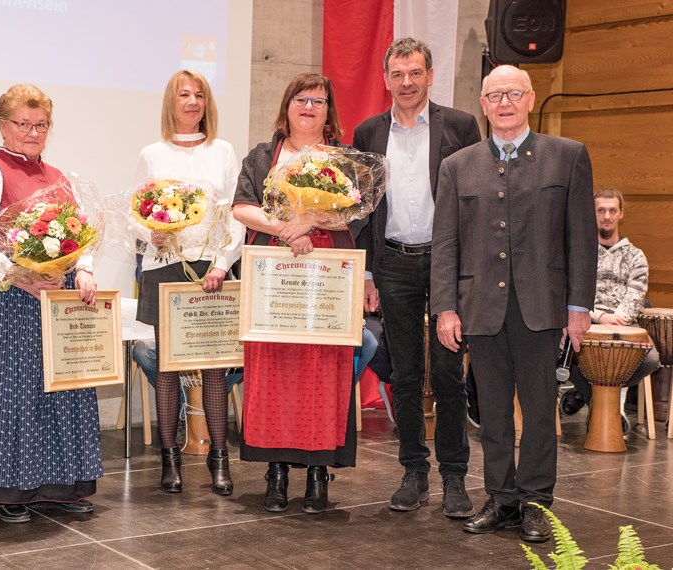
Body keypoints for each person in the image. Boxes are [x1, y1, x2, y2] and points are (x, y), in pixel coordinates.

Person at [431, 64, 596, 543]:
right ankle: (501, 498)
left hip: (542, 308)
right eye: (493, 94)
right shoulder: (457, 166)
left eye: (513, 93)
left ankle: (536, 503)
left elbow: (582, 239)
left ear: (530, 98)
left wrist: (579, 307)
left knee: (541, 411)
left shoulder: (567, 157)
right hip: (479, 307)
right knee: (492, 412)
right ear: (482, 104)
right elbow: (445, 243)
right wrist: (445, 307)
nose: (503, 102)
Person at [0, 84, 102, 524]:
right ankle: (11, 488)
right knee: (14, 395)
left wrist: (86, 268)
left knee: (62, 390)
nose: (33, 132)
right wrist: (19, 276)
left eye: (40, 125)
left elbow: (82, 232)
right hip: (8, 299)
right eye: (24, 124)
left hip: (56, 295)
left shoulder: (60, 177)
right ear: (3, 125)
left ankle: (61, 484)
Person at [352, 37, 482, 518]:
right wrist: (367, 272)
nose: (406, 82)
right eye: (397, 74)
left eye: (415, 73)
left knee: (448, 375)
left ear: (430, 75)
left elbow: (476, 201)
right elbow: (360, 213)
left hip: (447, 263)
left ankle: (454, 477)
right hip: (393, 263)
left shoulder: (462, 126)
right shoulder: (367, 134)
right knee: (404, 375)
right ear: (386, 80)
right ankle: (413, 471)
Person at [232, 72, 373, 514]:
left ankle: (317, 475)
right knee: (274, 370)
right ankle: (275, 473)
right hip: (274, 277)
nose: (309, 106)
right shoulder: (262, 155)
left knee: (322, 370)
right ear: (287, 105)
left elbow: (357, 214)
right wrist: (283, 227)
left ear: (329, 111)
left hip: (327, 278)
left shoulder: (345, 159)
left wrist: (311, 222)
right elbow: (241, 206)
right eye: (301, 98)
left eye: (318, 100)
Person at [134, 70, 245, 495]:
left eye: (200, 95)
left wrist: (221, 264)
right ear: (171, 102)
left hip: (211, 270)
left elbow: (236, 212)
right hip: (164, 266)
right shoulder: (152, 153)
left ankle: (220, 459)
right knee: (167, 367)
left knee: (214, 369)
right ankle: (170, 459)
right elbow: (136, 212)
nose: (193, 101)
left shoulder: (224, 151)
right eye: (184, 94)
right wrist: (150, 232)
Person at [560, 187, 659, 416]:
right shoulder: (578, 254)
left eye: (612, 210)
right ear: (592, 213)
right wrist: (600, 317)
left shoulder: (635, 255)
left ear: (620, 214)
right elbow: (571, 290)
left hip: (622, 325)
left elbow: (636, 294)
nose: (607, 216)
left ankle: (585, 396)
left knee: (651, 360)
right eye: (601, 210)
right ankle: (607, 409)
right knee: (565, 353)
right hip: (585, 323)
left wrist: (619, 319)